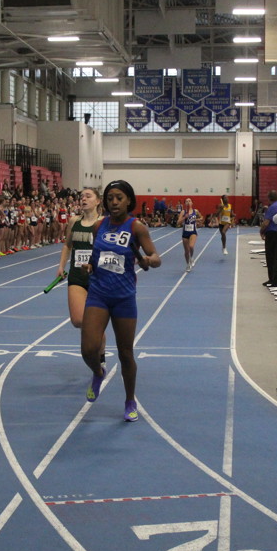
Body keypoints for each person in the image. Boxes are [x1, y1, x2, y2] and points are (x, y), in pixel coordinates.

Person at [80, 180, 161, 422]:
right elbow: (96, 256)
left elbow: (156, 257)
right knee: (88, 349)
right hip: (98, 294)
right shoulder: (98, 226)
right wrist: (89, 265)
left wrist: (148, 261)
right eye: (110, 198)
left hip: (124, 297)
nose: (114, 202)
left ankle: (129, 400)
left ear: (129, 201)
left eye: (119, 198)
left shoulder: (136, 227)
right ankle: (98, 372)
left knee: (126, 353)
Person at [57, 187, 105, 366]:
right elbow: (67, 245)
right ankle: (96, 335)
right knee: (78, 320)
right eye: (81, 196)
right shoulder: (74, 221)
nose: (83, 199)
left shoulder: (104, 223)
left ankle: (100, 357)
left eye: (88, 196)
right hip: (77, 276)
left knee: (92, 324)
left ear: (97, 201)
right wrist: (61, 266)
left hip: (98, 277)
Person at [259, 191, 277, 287]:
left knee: (270, 257)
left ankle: (272, 279)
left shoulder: (272, 207)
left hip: (272, 234)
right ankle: (276, 279)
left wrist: (261, 231)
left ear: (269, 199)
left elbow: (266, 222)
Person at [178, 198, 201, 272]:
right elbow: (178, 222)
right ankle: (188, 264)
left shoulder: (195, 211)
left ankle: (192, 257)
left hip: (193, 232)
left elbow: (201, 217)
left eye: (189, 201)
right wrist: (185, 217)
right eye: (186, 201)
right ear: (185, 204)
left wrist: (198, 220)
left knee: (191, 246)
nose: (188, 202)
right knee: (186, 251)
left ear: (192, 203)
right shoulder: (183, 212)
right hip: (185, 232)